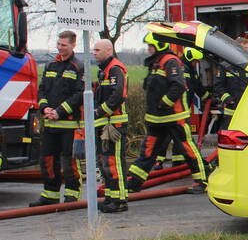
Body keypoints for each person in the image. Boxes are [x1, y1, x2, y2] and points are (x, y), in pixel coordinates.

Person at [125, 33, 207, 194]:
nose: (148, 49)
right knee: (147, 151)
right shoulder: (155, 63)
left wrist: (164, 103)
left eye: (151, 46)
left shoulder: (171, 62)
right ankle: (134, 183)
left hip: (174, 118)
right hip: (156, 119)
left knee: (187, 149)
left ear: (160, 45)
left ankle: (202, 181)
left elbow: (178, 86)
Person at [30, 30, 83, 206]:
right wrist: (45, 108)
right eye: (58, 44)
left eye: (64, 45)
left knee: (69, 162)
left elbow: (79, 95)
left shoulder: (78, 67)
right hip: (50, 123)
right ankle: (50, 195)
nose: (60, 48)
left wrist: (59, 111)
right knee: (47, 159)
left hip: (69, 124)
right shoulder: (50, 66)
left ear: (73, 45)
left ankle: (71, 194)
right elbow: (42, 90)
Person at [91, 39, 129, 212]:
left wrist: (98, 112)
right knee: (105, 163)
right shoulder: (104, 70)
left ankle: (120, 200)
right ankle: (110, 197)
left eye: (97, 50)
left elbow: (117, 96)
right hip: (106, 125)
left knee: (114, 163)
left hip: (114, 124)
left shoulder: (115, 69)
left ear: (108, 50)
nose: (94, 52)